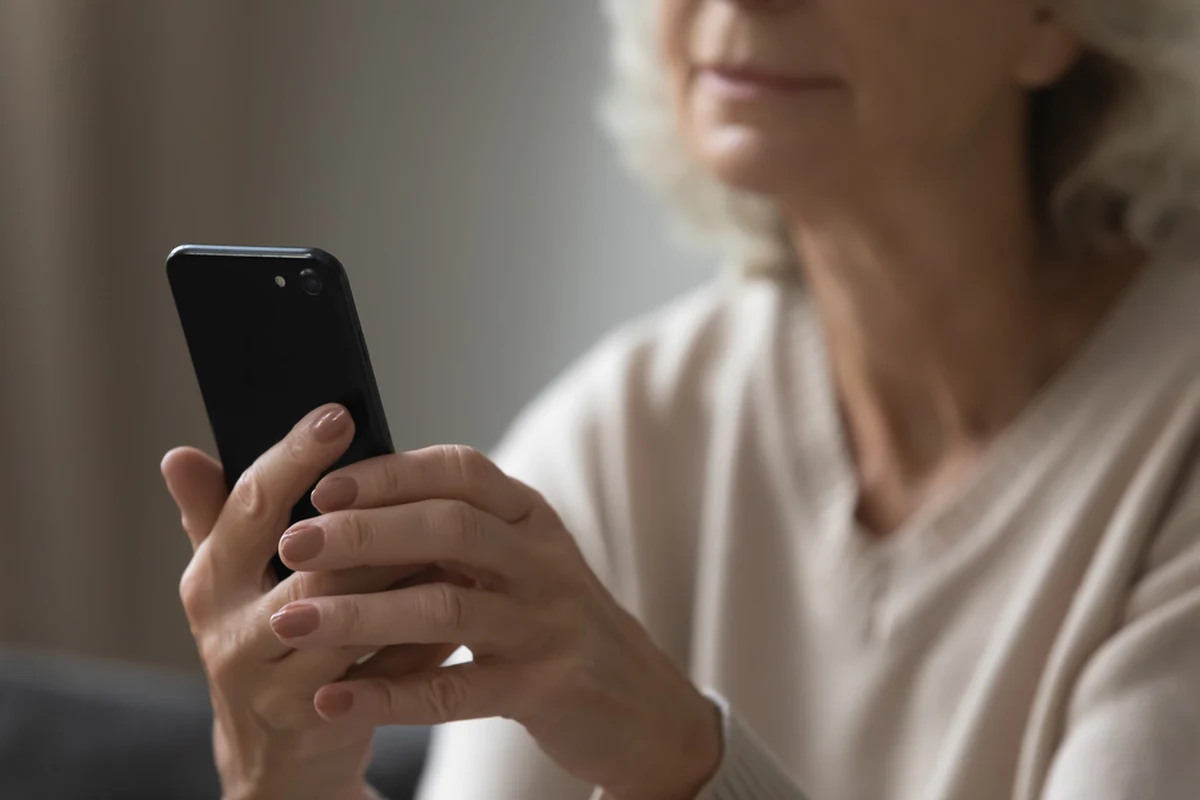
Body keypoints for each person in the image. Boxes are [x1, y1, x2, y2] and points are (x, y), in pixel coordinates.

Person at [161, 0, 1200, 797]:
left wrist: (680, 761)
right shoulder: (620, 433)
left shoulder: (1172, 441)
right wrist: (285, 776)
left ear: (1054, 17)